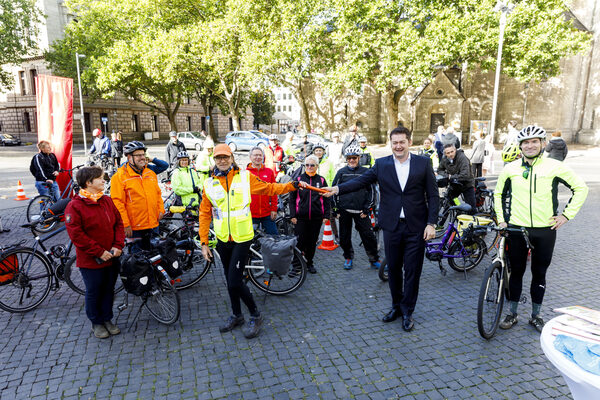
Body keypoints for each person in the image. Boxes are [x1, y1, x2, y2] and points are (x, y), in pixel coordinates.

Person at [323, 126, 438, 332]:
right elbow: (361, 181)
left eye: (402, 142)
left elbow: (433, 195)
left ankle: (408, 311)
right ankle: (396, 306)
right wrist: (337, 189)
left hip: (416, 228)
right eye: (395, 142)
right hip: (391, 227)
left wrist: (431, 223)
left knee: (412, 271)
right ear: (390, 143)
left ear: (409, 142)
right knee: (393, 269)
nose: (398, 146)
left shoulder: (423, 163)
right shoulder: (382, 164)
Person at [198, 144, 303, 339]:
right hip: (223, 239)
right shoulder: (209, 184)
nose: (222, 161)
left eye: (225, 157)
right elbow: (204, 214)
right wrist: (204, 242)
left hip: (242, 237)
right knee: (230, 282)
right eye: (218, 158)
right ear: (214, 160)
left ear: (232, 158)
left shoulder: (245, 177)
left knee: (235, 281)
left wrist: (292, 185)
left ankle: (255, 314)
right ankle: (237, 315)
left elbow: (270, 188)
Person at [494, 125, 588, 332]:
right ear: (520, 146)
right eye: (526, 142)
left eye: (534, 141)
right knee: (516, 272)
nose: (530, 145)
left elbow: (581, 188)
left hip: (545, 230)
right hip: (517, 229)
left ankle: (536, 315)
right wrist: (502, 219)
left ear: (542, 144)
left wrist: (566, 215)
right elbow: (498, 194)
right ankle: (512, 313)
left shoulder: (554, 166)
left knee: (539, 273)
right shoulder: (510, 169)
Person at [64, 166, 124, 339]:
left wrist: (118, 245)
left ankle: (107, 318)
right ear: (89, 182)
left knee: (109, 289)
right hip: (91, 261)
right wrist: (99, 252)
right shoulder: (74, 206)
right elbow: (77, 235)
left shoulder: (106, 200)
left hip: (112, 256)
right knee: (94, 290)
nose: (104, 181)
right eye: (100, 178)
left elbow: (118, 223)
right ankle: (96, 323)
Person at [332, 145, 379, 270]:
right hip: (345, 211)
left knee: (368, 236)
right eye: (349, 158)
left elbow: (372, 192)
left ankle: (374, 259)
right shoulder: (341, 173)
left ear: (359, 158)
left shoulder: (366, 172)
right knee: (344, 237)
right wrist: (335, 209)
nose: (352, 160)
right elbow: (333, 191)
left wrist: (367, 209)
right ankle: (348, 257)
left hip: (361, 211)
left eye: (354, 158)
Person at [110, 141, 164, 250]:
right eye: (138, 155)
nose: (142, 158)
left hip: (153, 224)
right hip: (135, 228)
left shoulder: (150, 173)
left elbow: (158, 194)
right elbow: (117, 202)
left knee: (154, 256)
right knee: (138, 261)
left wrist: (161, 210)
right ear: (129, 158)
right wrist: (125, 224)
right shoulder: (119, 177)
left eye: (143, 154)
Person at [289, 155, 331, 274]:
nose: (309, 167)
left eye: (312, 165)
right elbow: (292, 199)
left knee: (312, 242)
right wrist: (292, 215)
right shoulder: (298, 179)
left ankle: (309, 263)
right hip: (300, 218)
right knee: (299, 242)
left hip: (316, 218)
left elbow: (327, 199)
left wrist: (326, 216)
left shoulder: (321, 180)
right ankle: (296, 266)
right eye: (307, 165)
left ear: (317, 166)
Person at [246, 146, 278, 235]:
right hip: (250, 214)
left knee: (274, 238)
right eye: (255, 155)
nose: (258, 157)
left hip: (267, 213)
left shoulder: (269, 172)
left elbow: (274, 191)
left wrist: (274, 209)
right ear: (250, 157)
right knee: (249, 242)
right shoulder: (245, 173)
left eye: (260, 155)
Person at [437, 144, 476, 213]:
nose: (450, 154)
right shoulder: (445, 159)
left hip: (467, 184)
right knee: (448, 202)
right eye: (448, 153)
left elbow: (465, 175)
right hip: (455, 184)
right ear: (445, 154)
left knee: (471, 209)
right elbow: (439, 170)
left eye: (452, 152)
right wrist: (446, 175)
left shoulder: (462, 157)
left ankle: (473, 220)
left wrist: (451, 177)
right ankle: (442, 222)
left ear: (455, 150)